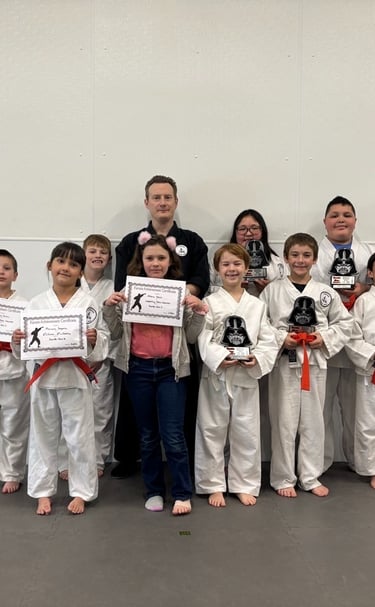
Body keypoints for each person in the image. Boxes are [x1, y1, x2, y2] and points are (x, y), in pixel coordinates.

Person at [112, 175, 209, 478]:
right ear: (147, 203)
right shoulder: (131, 242)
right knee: (135, 403)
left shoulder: (191, 241)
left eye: (168, 197)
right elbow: (122, 286)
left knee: (180, 403)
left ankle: (187, 464)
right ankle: (129, 458)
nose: (162, 202)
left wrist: (175, 299)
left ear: (175, 202)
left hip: (176, 334)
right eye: (156, 197)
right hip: (139, 336)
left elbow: (200, 280)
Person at [104, 233, 208, 515]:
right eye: (149, 258)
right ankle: (154, 490)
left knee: (173, 435)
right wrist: (109, 307)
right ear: (141, 260)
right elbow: (114, 333)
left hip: (170, 371)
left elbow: (190, 335)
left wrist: (198, 312)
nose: (155, 263)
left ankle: (182, 492)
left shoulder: (178, 292)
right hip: (137, 369)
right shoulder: (129, 292)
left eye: (161, 258)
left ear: (170, 260)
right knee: (148, 436)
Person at [12, 242, 109, 515]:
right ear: (50, 265)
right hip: (44, 378)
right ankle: (43, 491)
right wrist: (17, 340)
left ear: (80, 272)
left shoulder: (88, 303)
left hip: (76, 377)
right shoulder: (36, 303)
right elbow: (25, 347)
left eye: (74, 264)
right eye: (61, 262)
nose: (66, 268)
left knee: (79, 438)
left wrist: (94, 340)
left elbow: (102, 341)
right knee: (43, 436)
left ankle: (81, 491)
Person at [260, 233, 353, 498]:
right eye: (295, 255)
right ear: (287, 258)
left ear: (314, 259)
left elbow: (345, 324)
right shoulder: (273, 291)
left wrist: (323, 338)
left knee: (313, 421)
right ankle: (283, 477)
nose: (300, 260)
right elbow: (261, 324)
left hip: (315, 362)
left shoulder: (325, 292)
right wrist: (281, 338)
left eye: (306, 255)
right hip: (284, 363)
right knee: (284, 422)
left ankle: (310, 476)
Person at [195, 243, 278, 507]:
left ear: (246, 267)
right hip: (217, 376)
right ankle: (213, 484)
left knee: (247, 431)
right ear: (217, 270)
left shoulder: (257, 305)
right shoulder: (209, 302)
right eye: (226, 264)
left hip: (245, 375)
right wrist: (220, 358)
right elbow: (203, 337)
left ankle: (244, 483)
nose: (232, 269)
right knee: (211, 429)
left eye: (237, 264)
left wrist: (258, 359)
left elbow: (268, 339)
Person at [310, 196, 373, 471]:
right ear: (325, 222)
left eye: (347, 214)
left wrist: (365, 289)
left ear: (355, 221)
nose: (341, 219)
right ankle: (319, 465)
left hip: (359, 345)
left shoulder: (368, 252)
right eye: (334, 215)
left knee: (357, 411)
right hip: (327, 338)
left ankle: (360, 462)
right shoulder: (313, 253)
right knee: (320, 410)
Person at [58, 234, 118, 479]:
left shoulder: (113, 287)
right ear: (83, 256)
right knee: (67, 411)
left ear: (109, 259)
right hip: (69, 360)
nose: (97, 256)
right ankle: (65, 461)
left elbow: (115, 327)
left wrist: (101, 357)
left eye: (103, 252)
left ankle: (97, 459)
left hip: (100, 361)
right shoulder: (70, 285)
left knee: (100, 411)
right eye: (92, 251)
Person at [0, 249, 29, 494]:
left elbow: (32, 344)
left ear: (16, 275)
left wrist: (19, 339)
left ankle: (12, 473)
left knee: (13, 427)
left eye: (7, 268)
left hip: (14, 373)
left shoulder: (24, 306)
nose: (1, 271)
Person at [345, 252, 375, 488]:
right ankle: (372, 469)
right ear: (371, 273)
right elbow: (353, 335)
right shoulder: (364, 301)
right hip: (372, 368)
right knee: (368, 422)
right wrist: (372, 355)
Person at [210, 209, 285, 296]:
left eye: (254, 228)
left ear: (262, 231)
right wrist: (230, 288)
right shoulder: (219, 260)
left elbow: (285, 294)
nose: (248, 233)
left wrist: (269, 290)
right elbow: (208, 290)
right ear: (235, 233)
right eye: (242, 229)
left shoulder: (278, 264)